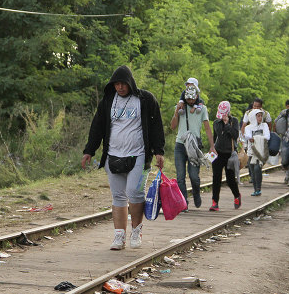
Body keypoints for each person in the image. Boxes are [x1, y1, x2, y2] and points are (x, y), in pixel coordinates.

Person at [82, 65, 164, 250]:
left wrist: (159, 151)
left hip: (139, 155)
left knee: (135, 193)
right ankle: (119, 237)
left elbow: (156, 125)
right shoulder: (108, 101)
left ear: (130, 83)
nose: (120, 87)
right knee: (118, 196)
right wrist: (89, 150)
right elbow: (97, 126)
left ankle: (136, 231)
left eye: (123, 84)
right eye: (116, 84)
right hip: (113, 155)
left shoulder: (145, 99)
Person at [170, 83, 215, 210]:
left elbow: (207, 128)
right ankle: (184, 203)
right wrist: (176, 111)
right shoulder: (180, 108)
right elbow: (173, 126)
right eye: (188, 99)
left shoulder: (202, 109)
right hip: (180, 144)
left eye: (192, 98)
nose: (190, 101)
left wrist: (212, 146)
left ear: (196, 97)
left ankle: (196, 193)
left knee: (194, 176)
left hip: (194, 146)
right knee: (180, 177)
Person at [211, 101, 241, 211]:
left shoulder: (235, 121)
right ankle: (215, 202)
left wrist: (227, 124)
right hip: (218, 153)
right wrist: (212, 149)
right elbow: (216, 136)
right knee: (216, 178)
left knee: (230, 179)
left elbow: (235, 135)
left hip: (230, 154)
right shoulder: (216, 122)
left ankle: (237, 195)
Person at [244, 109, 270, 196]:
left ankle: (259, 188)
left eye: (261, 116)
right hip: (251, 152)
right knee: (252, 172)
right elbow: (247, 136)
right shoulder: (248, 127)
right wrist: (253, 138)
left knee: (257, 169)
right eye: (258, 116)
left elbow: (267, 136)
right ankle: (255, 189)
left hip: (260, 152)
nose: (260, 118)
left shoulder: (264, 125)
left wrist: (255, 138)